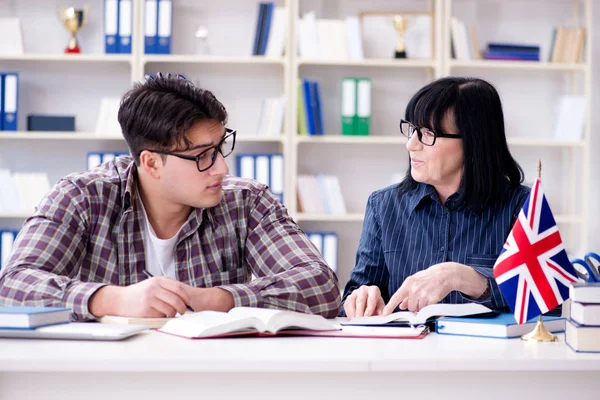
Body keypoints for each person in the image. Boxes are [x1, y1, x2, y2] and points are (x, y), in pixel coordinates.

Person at [0, 73, 340, 321]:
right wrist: (111, 300)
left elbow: (321, 286)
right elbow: (12, 286)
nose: (222, 167)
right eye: (203, 155)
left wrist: (217, 299)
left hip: (211, 377)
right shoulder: (82, 197)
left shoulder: (247, 201)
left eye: (221, 147)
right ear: (151, 162)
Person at [342, 76, 529, 319]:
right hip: (404, 355)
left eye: (427, 134)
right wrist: (361, 297)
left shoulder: (521, 207)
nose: (411, 145)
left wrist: (463, 278)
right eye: (411, 130)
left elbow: (546, 302)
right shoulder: (383, 206)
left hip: (487, 355)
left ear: (473, 142)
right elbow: (357, 291)